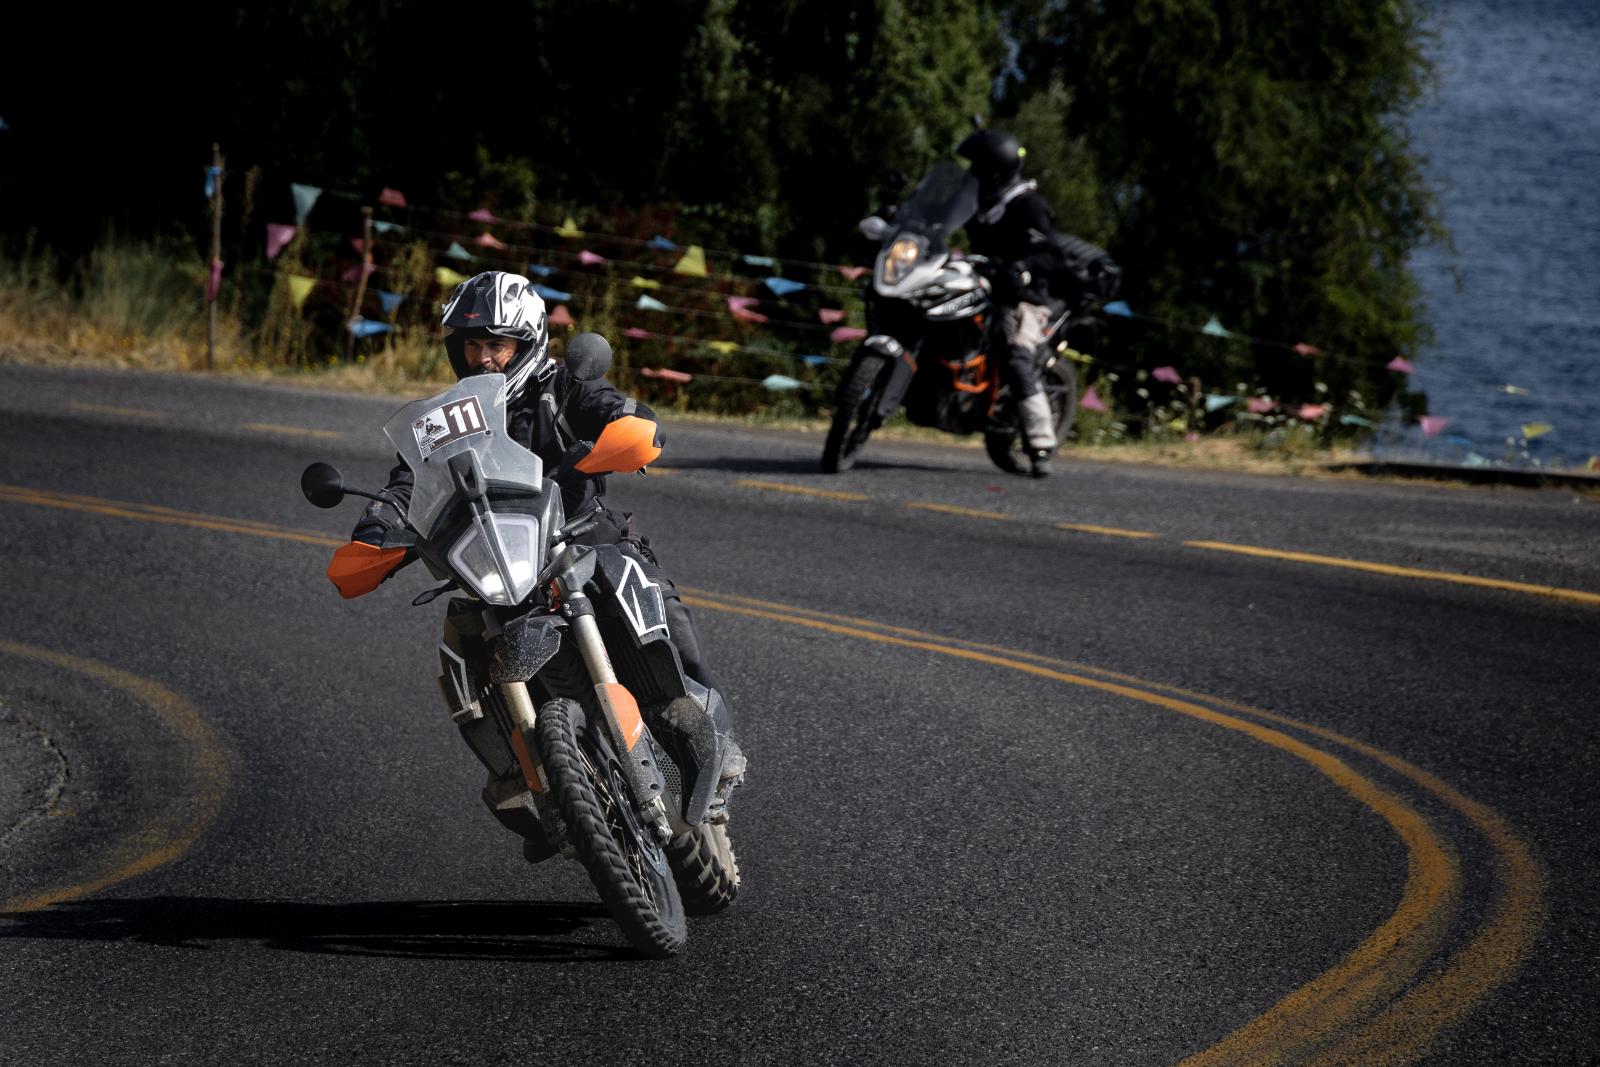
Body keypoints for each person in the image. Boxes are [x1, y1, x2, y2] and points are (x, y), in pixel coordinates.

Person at [350, 269, 745, 795]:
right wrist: (375, 530)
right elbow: (407, 483)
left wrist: (628, 428)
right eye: (472, 345)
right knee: (464, 638)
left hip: (580, 540)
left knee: (662, 607)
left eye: (497, 345)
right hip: (490, 563)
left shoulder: (563, 387)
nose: (483, 358)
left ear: (528, 342)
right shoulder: (446, 420)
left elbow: (614, 409)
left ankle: (714, 736)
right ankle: (519, 772)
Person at [955, 128, 1121, 477]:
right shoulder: (976, 200)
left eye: (978, 167)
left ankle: (1041, 442)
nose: (971, 173)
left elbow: (1051, 254)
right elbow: (938, 217)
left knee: (1018, 358)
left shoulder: (1027, 204)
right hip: (980, 285)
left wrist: (1024, 267)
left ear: (996, 172)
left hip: (1025, 298)